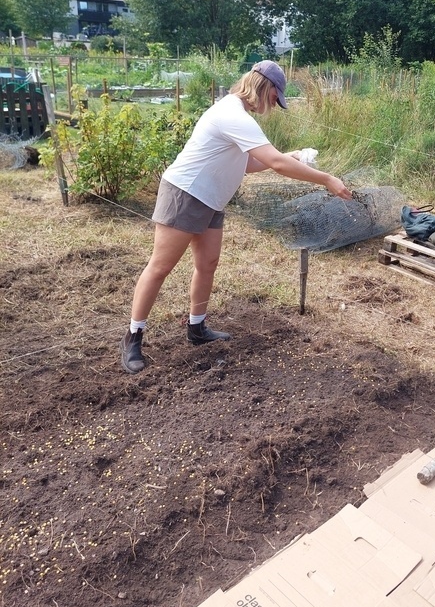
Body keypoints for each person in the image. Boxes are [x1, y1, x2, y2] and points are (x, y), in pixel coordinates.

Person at [120, 60, 353, 374]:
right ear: (264, 87)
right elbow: (275, 163)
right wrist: (325, 179)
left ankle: (197, 327)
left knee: (208, 263)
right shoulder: (233, 114)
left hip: (212, 199)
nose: (275, 104)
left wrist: (293, 156)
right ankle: (133, 337)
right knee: (160, 267)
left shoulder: (239, 115)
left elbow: (250, 164)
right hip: (185, 193)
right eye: (276, 96)